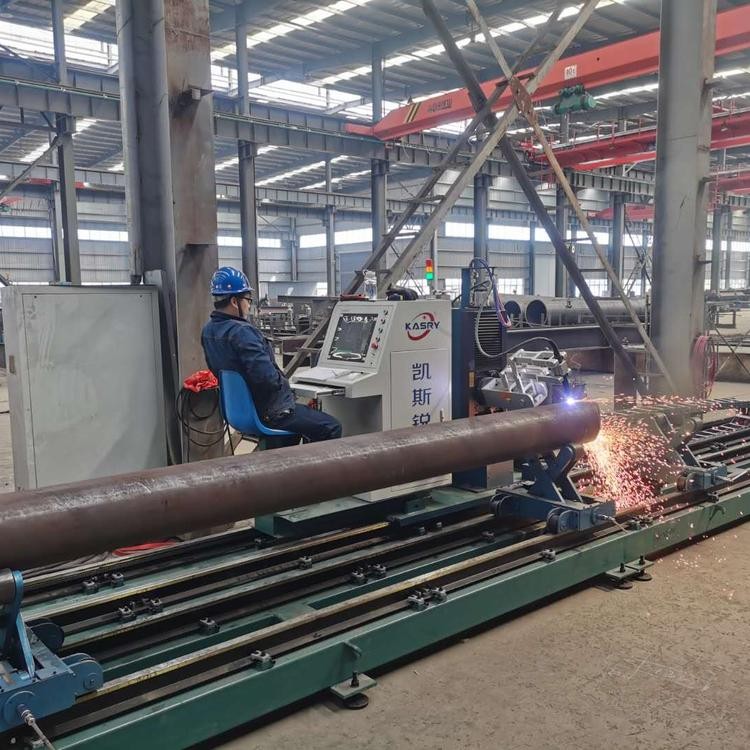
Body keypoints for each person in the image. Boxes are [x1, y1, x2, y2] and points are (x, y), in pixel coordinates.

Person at [201, 267, 342, 446]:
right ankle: (309, 465)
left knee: (296, 430)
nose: (249, 305)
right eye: (247, 300)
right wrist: (284, 386)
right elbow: (265, 378)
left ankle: (287, 462)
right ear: (235, 301)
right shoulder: (242, 332)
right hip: (271, 413)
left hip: (241, 412)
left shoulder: (208, 331)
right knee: (331, 427)